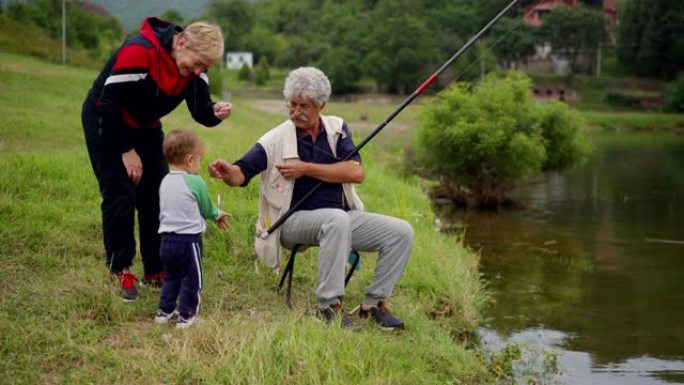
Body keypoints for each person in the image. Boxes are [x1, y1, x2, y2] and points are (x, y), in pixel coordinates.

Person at [208, 67, 413, 330]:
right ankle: (328, 307)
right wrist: (227, 173)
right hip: (290, 223)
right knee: (336, 219)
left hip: (340, 218)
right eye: (292, 104)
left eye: (303, 105)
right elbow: (240, 173)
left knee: (401, 232)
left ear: (321, 105)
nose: (295, 111)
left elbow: (356, 172)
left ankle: (372, 305)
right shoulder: (274, 139)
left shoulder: (337, 129)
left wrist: (305, 168)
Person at [81, 17, 232, 302]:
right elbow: (109, 102)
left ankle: (155, 268)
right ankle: (121, 269)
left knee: (156, 193)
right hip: (106, 118)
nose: (198, 71)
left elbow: (200, 109)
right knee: (120, 193)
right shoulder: (140, 51)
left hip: (145, 125)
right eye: (197, 63)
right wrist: (126, 151)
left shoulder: (195, 67)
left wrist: (216, 112)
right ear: (182, 42)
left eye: (205, 67)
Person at [154, 130, 229, 329]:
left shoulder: (164, 182)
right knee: (192, 280)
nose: (200, 164)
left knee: (171, 277)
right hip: (188, 242)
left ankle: (164, 312)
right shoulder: (195, 182)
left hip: (166, 241)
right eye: (199, 160)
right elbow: (206, 207)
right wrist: (218, 215)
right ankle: (187, 317)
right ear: (189, 160)